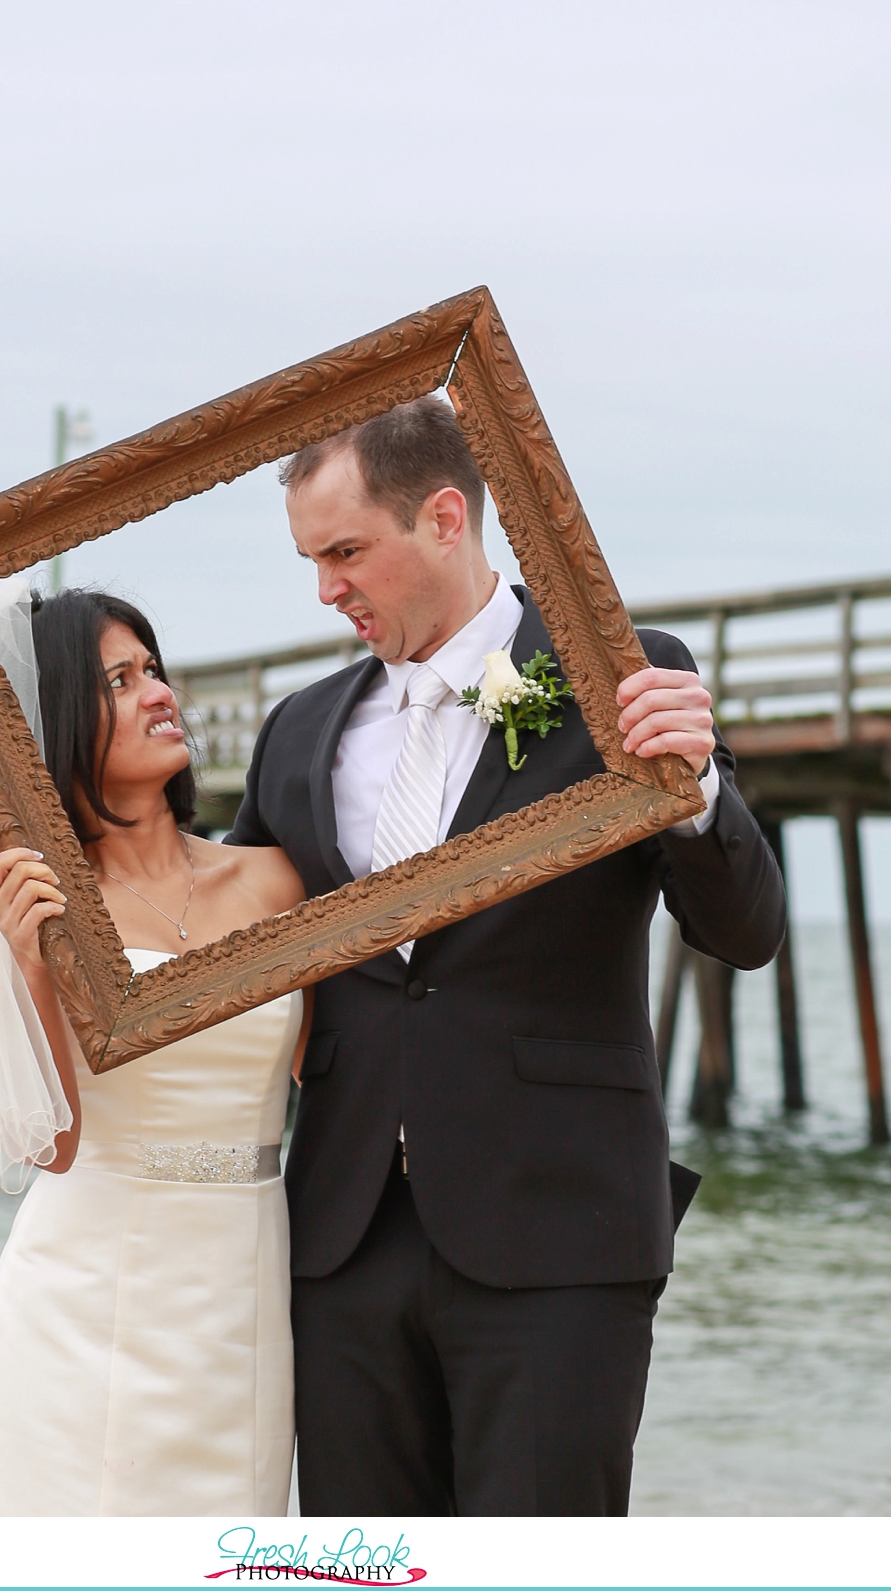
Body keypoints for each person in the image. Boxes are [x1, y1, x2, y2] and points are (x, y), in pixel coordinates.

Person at [227, 395, 787, 1517]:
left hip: (560, 1237)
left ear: (445, 517)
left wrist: (694, 795)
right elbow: (221, 953)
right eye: (309, 559)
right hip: (339, 1247)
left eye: (344, 553)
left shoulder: (621, 677)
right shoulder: (296, 730)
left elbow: (748, 931)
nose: (325, 590)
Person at [0, 584, 306, 1517]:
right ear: (67, 724)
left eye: (153, 669)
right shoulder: (38, 910)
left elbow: (327, 1074)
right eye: (119, 681)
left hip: (241, 1275)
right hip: (81, 1282)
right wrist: (31, 969)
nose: (159, 693)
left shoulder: (274, 879)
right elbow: (52, 1146)